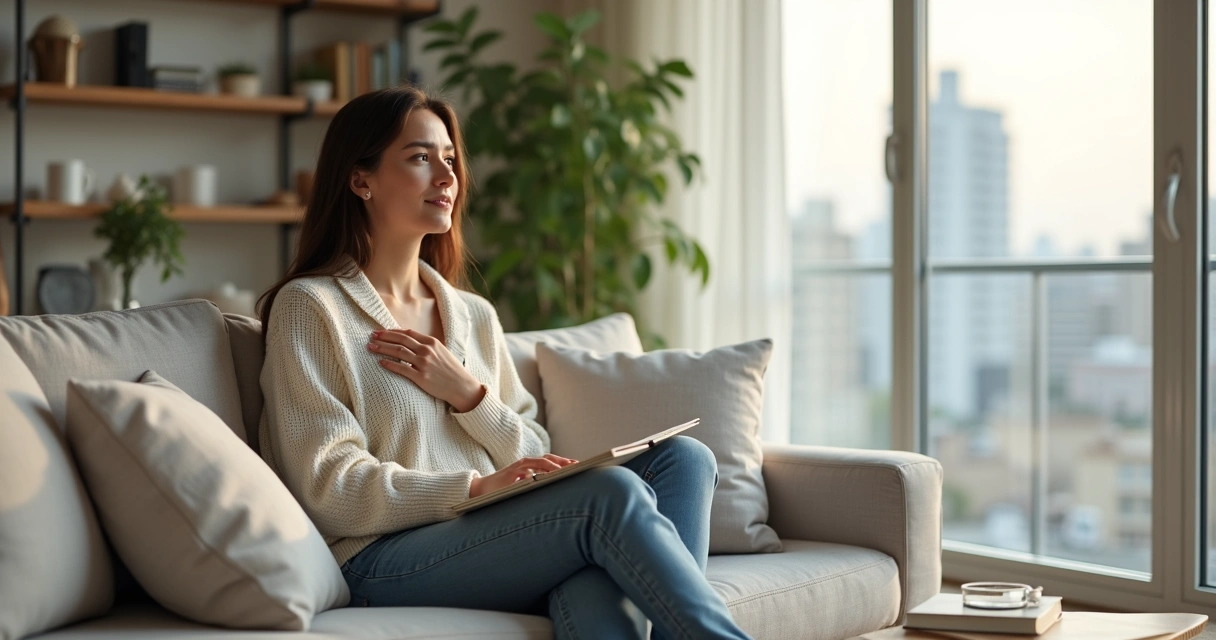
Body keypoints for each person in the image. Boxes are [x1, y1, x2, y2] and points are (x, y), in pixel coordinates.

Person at [256, 85, 751, 640]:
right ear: (360, 179)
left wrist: (470, 395)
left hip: (500, 533)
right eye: (420, 158)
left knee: (684, 460)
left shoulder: (473, 315)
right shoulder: (312, 307)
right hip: (381, 558)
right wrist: (474, 489)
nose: (447, 178)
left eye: (449, 160)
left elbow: (535, 454)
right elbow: (328, 487)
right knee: (610, 496)